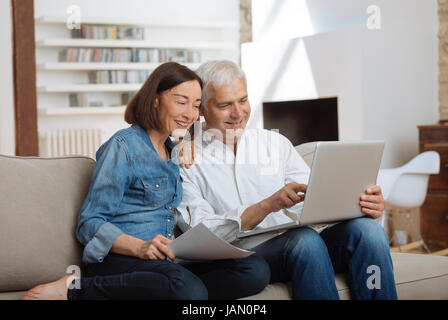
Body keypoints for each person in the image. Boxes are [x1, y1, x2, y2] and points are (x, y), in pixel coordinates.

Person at [23, 62, 270, 300]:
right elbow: (90, 223)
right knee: (188, 289)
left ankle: (179, 291)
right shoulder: (123, 147)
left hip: (163, 261)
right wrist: (140, 247)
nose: (190, 113)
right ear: (155, 99)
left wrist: (189, 141)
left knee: (254, 270)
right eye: (181, 102)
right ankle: (75, 290)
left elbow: (200, 126)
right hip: (122, 260)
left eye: (196, 105)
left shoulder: (173, 149)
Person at [176, 60, 398, 300]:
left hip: (302, 242)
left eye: (243, 100)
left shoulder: (275, 144)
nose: (238, 113)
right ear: (201, 109)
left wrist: (363, 207)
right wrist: (265, 206)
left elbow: (315, 202)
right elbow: (198, 233)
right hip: (247, 258)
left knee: (368, 232)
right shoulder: (186, 160)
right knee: (305, 241)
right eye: (225, 105)